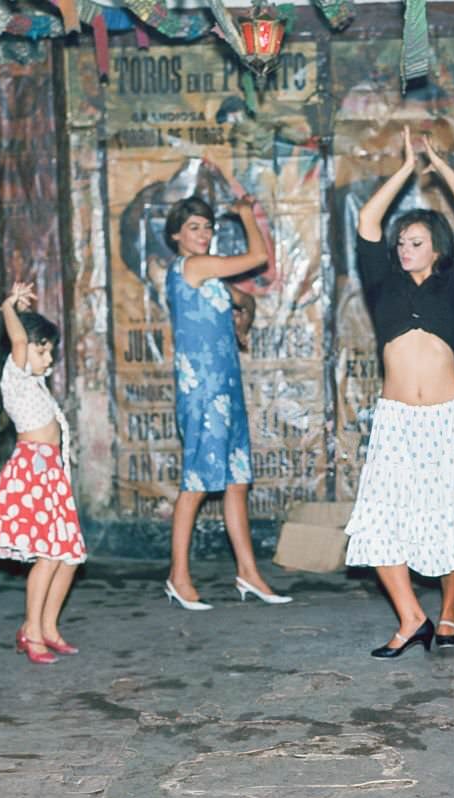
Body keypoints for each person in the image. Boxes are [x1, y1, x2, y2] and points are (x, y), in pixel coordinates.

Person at [346, 125, 454, 659]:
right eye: (402, 243)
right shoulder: (382, 284)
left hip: (450, 418)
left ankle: (448, 613)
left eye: (415, 242)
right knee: (377, 520)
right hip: (397, 419)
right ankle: (410, 615)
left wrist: (438, 167)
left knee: (453, 517)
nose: (405, 249)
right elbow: (369, 221)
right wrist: (403, 169)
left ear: (438, 249)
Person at [162, 195, 290, 609]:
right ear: (177, 235)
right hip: (201, 393)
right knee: (196, 483)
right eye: (194, 227)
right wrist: (247, 214)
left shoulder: (211, 278)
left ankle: (249, 574)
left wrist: (243, 323)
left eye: (207, 226)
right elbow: (258, 256)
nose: (203, 234)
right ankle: (178, 577)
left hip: (227, 389)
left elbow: (246, 299)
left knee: (236, 482)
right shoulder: (194, 267)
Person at [0, 281, 87, 665]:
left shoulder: (37, 385)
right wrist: (9, 305)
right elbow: (18, 340)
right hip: (33, 475)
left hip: (51, 476)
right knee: (47, 555)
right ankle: (30, 630)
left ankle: (48, 626)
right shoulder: (17, 374)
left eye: (49, 352)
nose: (48, 359)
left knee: (70, 556)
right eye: (42, 351)